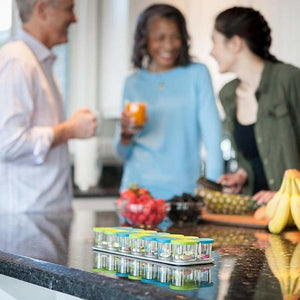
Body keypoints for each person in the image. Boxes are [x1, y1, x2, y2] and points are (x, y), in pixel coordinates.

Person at [114, 4, 224, 200]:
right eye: (160, 38)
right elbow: (122, 154)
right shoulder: (133, 83)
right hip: (137, 195)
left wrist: (214, 191)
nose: (169, 45)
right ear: (144, 40)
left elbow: (213, 138)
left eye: (175, 37)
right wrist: (124, 135)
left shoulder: (197, 74)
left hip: (183, 195)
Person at [0, 0, 97, 213]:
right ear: (42, 10)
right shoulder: (18, 61)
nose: (75, 18)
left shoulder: (37, 62)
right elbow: (8, 143)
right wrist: (70, 129)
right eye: (69, 9)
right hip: (25, 220)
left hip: (40, 215)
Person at [210, 7, 300, 204]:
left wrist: (289, 196)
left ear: (235, 43)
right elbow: (256, 156)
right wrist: (242, 175)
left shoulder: (289, 79)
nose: (212, 51)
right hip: (257, 216)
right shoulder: (228, 94)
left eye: (214, 42)